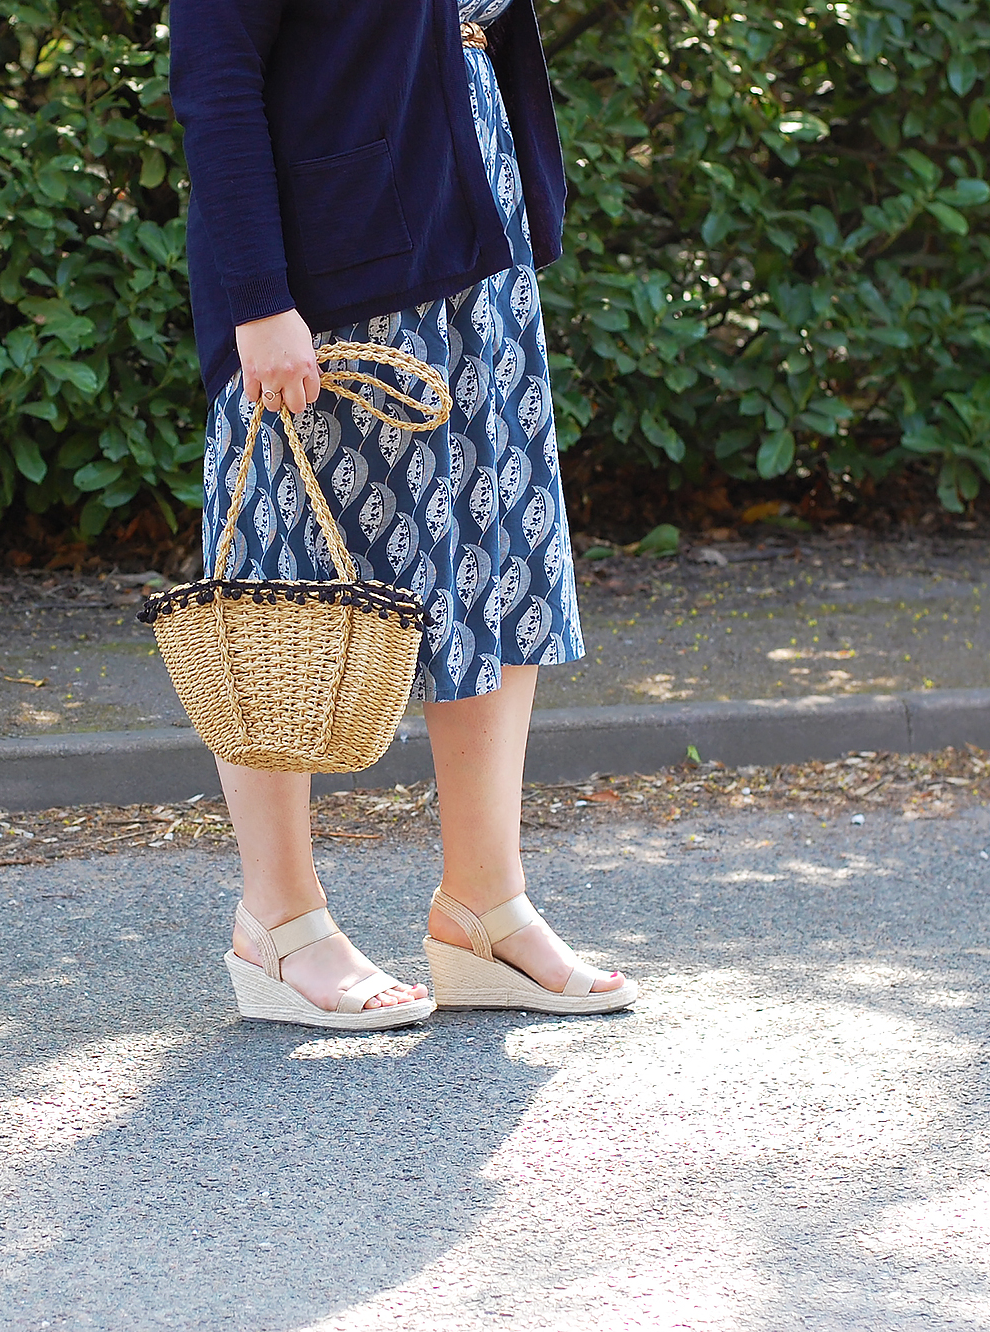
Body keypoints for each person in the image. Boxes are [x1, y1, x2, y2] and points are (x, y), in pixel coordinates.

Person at [171, 0, 637, 1028]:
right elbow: (215, 71)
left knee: (495, 555)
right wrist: (256, 296)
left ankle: (485, 909)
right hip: (328, 265)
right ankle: (279, 925)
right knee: (279, 586)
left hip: (472, 224)